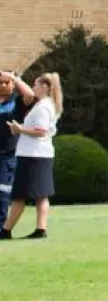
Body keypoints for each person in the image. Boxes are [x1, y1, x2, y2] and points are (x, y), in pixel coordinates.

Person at [2, 72, 63, 240]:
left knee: (19, 195)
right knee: (41, 195)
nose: (33, 88)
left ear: (44, 87)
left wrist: (20, 129)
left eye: (36, 85)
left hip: (32, 155)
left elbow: (41, 131)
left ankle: (6, 230)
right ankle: (40, 229)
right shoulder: (49, 104)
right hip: (41, 154)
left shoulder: (43, 106)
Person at [0, 70, 35, 229]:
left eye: (7, 82)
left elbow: (30, 95)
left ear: (13, 84)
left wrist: (15, 77)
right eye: (0, 82)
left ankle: (1, 227)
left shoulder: (17, 102)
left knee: (2, 193)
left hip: (7, 156)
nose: (3, 85)